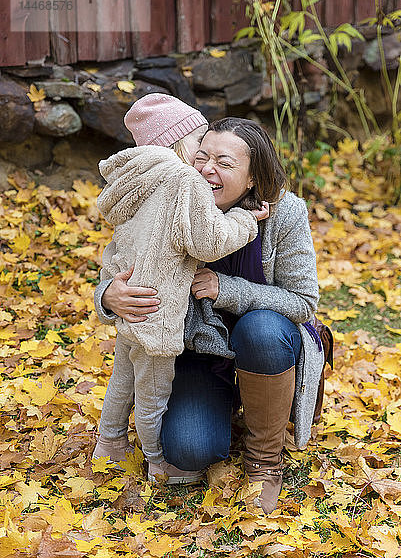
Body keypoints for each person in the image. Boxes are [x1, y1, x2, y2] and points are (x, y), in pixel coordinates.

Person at [94, 116, 323, 514]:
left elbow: (303, 301)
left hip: (264, 342)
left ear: (253, 178)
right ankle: (226, 401)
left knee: (262, 330)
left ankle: (264, 463)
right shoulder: (171, 198)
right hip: (199, 354)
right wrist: (108, 295)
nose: (207, 170)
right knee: (190, 450)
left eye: (224, 162)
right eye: (202, 157)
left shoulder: (285, 213)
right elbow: (120, 260)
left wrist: (226, 289)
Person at [93, 95, 269, 484]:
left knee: (122, 382)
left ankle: (109, 443)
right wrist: (243, 220)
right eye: (200, 147)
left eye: (221, 160)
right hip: (158, 318)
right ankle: (157, 461)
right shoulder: (184, 181)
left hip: (137, 314)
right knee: (152, 396)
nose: (204, 164)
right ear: (181, 143)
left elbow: (118, 246)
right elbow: (206, 241)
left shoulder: (141, 180)